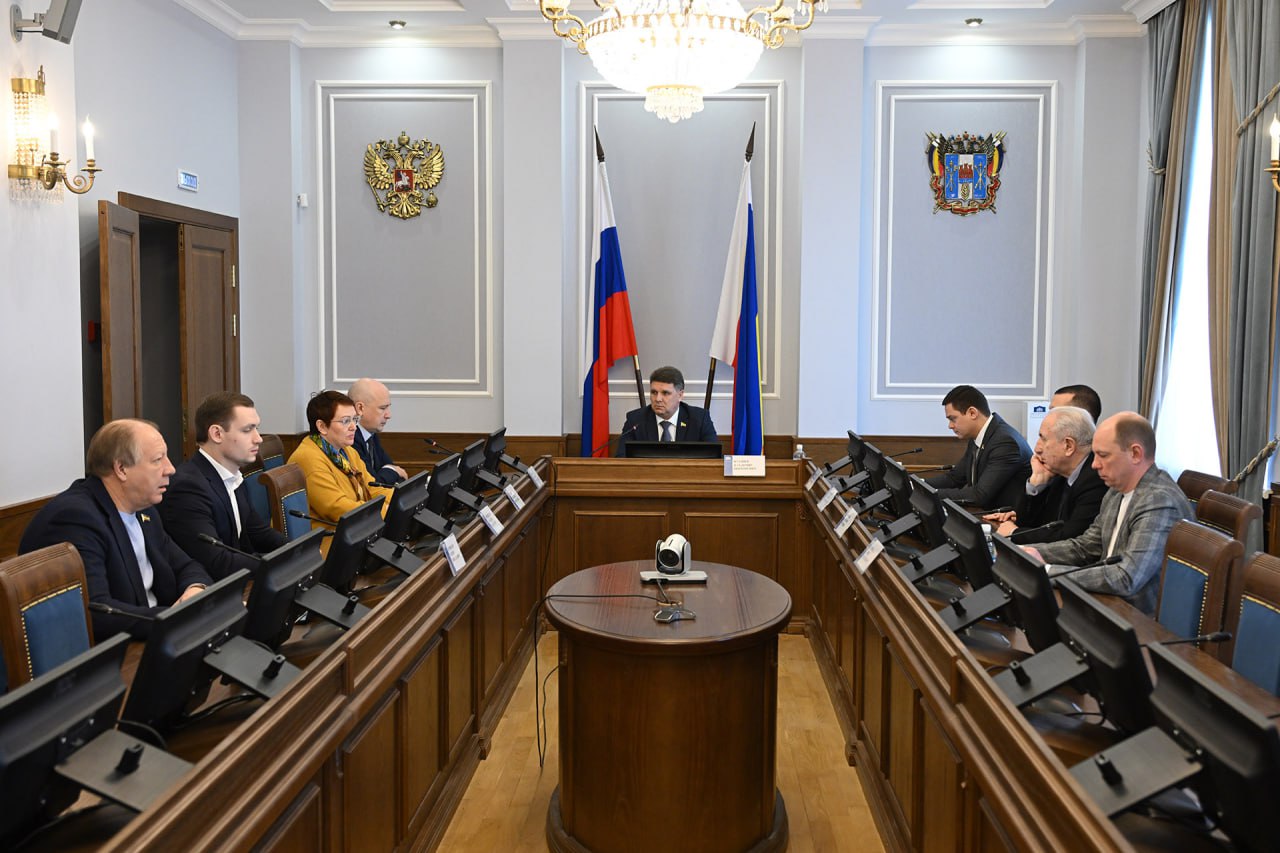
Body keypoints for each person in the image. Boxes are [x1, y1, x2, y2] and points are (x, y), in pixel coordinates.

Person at [19, 420, 212, 640]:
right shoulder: (75, 518)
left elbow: (186, 565)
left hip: (151, 633)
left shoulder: (144, 510)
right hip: (114, 648)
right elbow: (97, 612)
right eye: (158, 460)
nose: (171, 469)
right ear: (121, 469)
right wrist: (178, 620)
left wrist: (195, 590)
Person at [1024, 412, 1192, 616]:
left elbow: (1126, 577)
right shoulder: (1116, 490)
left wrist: (1047, 572)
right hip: (1105, 603)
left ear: (1135, 454)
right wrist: (1025, 552)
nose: (1094, 464)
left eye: (1103, 455)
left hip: (1137, 618)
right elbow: (1087, 547)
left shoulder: (1159, 501)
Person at [160, 392, 287, 581]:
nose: (258, 438)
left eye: (257, 428)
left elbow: (258, 533)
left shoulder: (233, 475)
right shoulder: (187, 488)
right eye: (247, 430)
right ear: (217, 434)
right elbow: (218, 562)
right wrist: (282, 563)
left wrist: (297, 551)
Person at [988, 406, 1105, 544]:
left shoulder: (1096, 479)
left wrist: (1014, 534)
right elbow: (1034, 523)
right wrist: (1036, 484)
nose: (1037, 448)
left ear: (1068, 446)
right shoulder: (1059, 470)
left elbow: (1071, 536)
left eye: (1043, 439)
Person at [288, 390, 394, 525]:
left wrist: (399, 499)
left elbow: (371, 487)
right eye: (345, 421)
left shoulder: (348, 451)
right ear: (322, 426)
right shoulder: (309, 458)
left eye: (355, 419)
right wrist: (386, 511)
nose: (353, 427)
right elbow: (337, 508)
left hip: (356, 526)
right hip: (329, 533)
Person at [925, 385, 1032, 510]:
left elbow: (979, 495)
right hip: (987, 512)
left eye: (953, 419)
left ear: (972, 413)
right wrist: (919, 484)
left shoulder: (1005, 442)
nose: (950, 426)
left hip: (1005, 517)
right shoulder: (979, 435)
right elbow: (955, 478)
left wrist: (929, 494)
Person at [616, 366, 718, 458]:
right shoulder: (635, 420)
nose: (658, 399)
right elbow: (621, 459)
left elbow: (715, 459)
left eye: (665, 393)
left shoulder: (699, 419)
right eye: (654, 392)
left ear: (680, 395)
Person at [348, 377, 407, 485]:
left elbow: (392, 468)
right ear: (360, 408)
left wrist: (389, 471)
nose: (388, 415)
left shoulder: (371, 434)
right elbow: (372, 484)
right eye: (382, 408)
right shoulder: (350, 439)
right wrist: (391, 471)